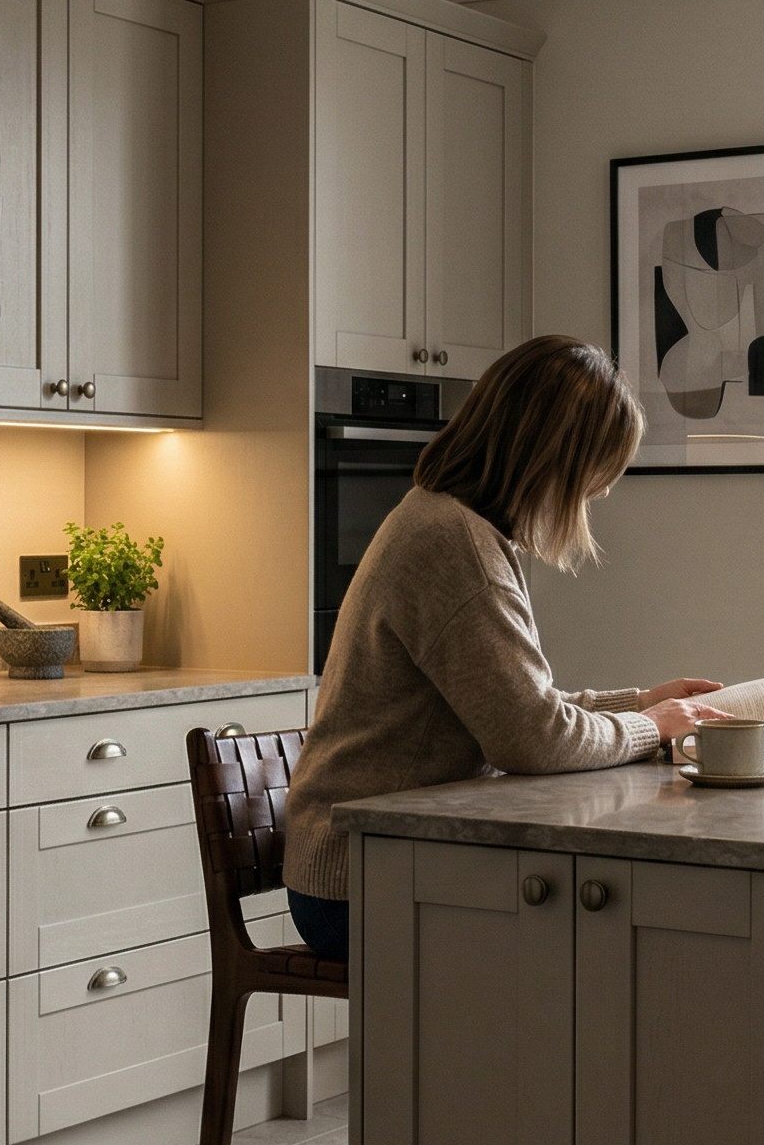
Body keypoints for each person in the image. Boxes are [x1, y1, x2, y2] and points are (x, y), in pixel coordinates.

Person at [283, 334, 728, 960]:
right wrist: (650, 726)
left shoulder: (453, 523)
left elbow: (515, 708)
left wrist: (641, 701)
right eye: (596, 470)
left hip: (376, 860)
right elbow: (532, 738)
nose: (599, 492)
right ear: (552, 457)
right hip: (361, 882)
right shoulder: (455, 545)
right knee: (616, 932)